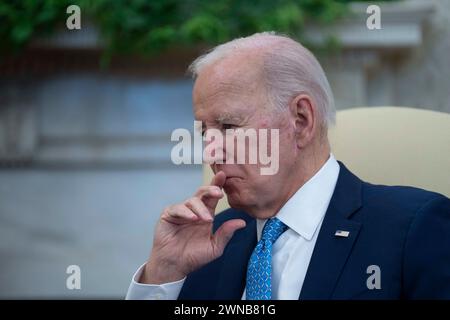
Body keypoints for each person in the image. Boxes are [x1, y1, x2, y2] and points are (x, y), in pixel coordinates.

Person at [126, 32, 450, 300]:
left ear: (301, 120)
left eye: (229, 127)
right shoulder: (206, 245)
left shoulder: (413, 228)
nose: (211, 150)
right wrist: (163, 276)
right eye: (204, 132)